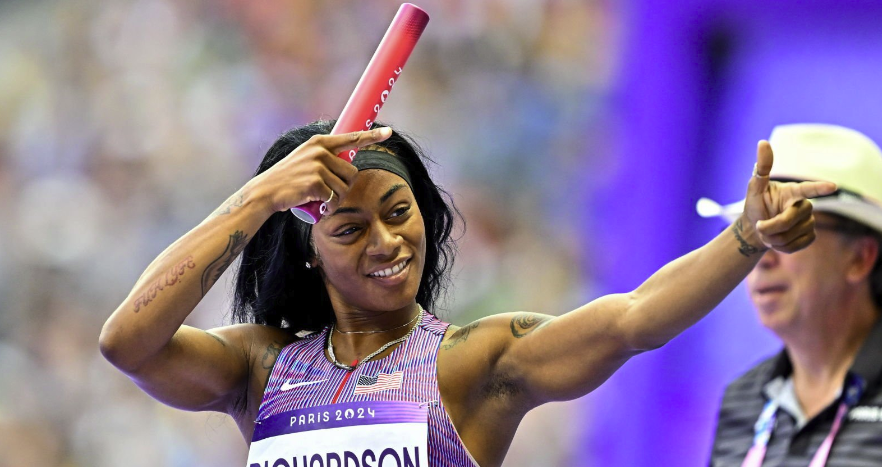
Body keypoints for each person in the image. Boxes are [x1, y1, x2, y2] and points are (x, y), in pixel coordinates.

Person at [100, 119, 832, 467]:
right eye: (350, 228)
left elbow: (633, 320)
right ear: (309, 252)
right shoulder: (261, 370)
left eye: (399, 212)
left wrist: (745, 240)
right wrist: (256, 199)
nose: (388, 243)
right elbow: (127, 342)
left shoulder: (474, 363)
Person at [704, 124, 882, 466]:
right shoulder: (742, 400)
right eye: (754, 234)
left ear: (861, 258)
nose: (762, 258)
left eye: (788, 232)